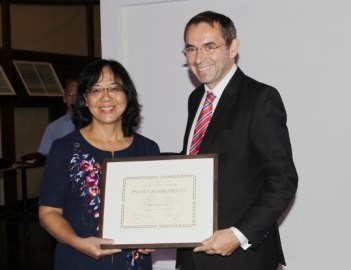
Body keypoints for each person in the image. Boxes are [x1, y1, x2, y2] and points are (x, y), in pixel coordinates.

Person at [176, 11, 299, 270]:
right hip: (193, 256)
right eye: (191, 49)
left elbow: (283, 179)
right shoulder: (195, 99)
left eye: (210, 47)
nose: (199, 59)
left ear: (233, 47)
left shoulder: (260, 98)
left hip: (242, 258)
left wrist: (238, 234)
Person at [38, 59, 160, 270]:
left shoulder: (148, 149)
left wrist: (153, 236)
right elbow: (48, 213)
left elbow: (157, 210)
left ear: (127, 95)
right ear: (85, 98)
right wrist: (78, 243)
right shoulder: (64, 149)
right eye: (96, 90)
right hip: (78, 260)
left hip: (134, 264)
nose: (106, 97)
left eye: (114, 88)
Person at [37, 79, 79, 156]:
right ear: (64, 99)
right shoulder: (53, 127)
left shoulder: (93, 123)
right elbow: (45, 155)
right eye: (70, 95)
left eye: (77, 95)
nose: (74, 99)